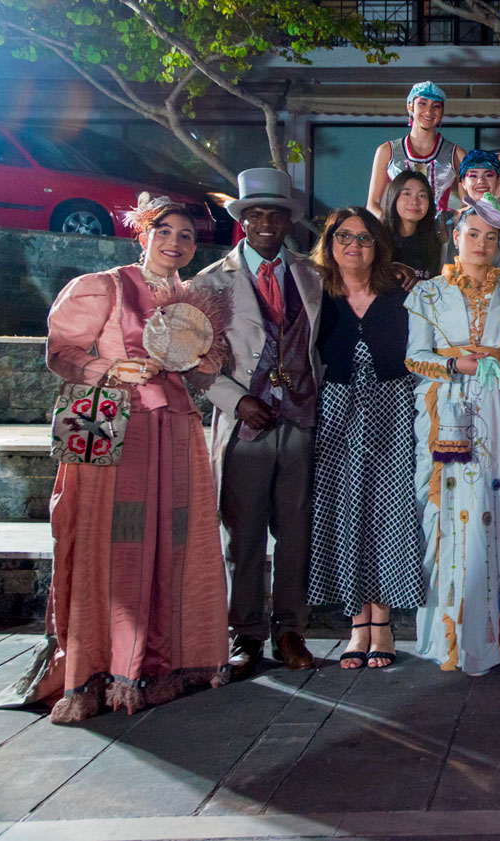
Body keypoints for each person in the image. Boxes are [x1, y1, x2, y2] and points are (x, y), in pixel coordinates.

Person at [0, 195, 228, 722]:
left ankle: (163, 664)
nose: (175, 242)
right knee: (112, 538)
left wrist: (200, 360)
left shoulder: (192, 298)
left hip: (173, 429)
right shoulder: (102, 285)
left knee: (173, 539)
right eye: (164, 231)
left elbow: (202, 376)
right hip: (107, 425)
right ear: (143, 233)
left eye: (187, 236)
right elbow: (60, 353)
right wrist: (111, 370)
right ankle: (102, 667)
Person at [193, 168, 324, 678]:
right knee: (243, 532)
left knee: (295, 530)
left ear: (289, 220)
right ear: (243, 220)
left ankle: (290, 629)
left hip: (300, 419)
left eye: (276, 213)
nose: (267, 222)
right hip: (247, 421)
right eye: (256, 214)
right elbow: (193, 360)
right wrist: (234, 399)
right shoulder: (210, 282)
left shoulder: (312, 274)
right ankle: (244, 633)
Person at [407, 194, 500, 673]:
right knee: (447, 511)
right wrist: (455, 364)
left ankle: (495, 630)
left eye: (490, 236)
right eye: (472, 234)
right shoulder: (426, 294)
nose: (481, 243)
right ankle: (449, 634)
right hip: (447, 409)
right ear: (455, 238)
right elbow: (414, 357)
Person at [306, 208, 424, 670]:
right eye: (344, 237)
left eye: (364, 238)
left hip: (393, 411)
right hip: (335, 411)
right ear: (330, 243)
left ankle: (384, 623)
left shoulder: (402, 293)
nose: (354, 245)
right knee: (342, 507)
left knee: (389, 509)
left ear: (379, 246)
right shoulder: (315, 292)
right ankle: (358, 623)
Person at [368, 81, 465, 223]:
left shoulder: (456, 154)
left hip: (438, 237)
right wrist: (390, 224)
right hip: (396, 236)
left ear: (442, 113)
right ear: (410, 106)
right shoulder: (387, 151)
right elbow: (372, 204)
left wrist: (448, 220)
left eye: (436, 106)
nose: (429, 111)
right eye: (422, 103)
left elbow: (468, 205)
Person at [385, 170, 442, 276]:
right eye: (407, 194)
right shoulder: (379, 240)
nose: (414, 201)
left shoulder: (433, 243)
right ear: (394, 197)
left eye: (422, 195)